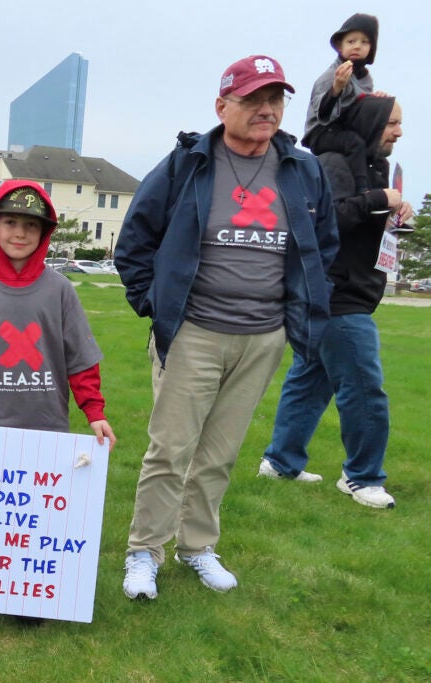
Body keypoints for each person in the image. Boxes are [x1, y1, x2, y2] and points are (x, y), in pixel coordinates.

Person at [114, 55, 339, 600]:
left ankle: (197, 547)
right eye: (253, 99)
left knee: (220, 453)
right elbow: (135, 241)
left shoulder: (303, 169)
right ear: (222, 106)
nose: (267, 110)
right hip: (193, 333)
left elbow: (323, 246)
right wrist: (158, 305)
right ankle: (145, 551)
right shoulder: (187, 162)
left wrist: (295, 314)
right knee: (170, 450)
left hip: (263, 336)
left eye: (276, 100)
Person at [0, 179, 116, 624]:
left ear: (44, 233)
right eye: (10, 222)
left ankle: (30, 596)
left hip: (45, 433)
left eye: (31, 225)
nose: (20, 233)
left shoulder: (61, 291)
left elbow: (81, 363)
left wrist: (95, 413)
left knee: (34, 522)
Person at [260, 96, 411, 509]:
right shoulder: (334, 163)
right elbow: (327, 217)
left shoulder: (373, 164)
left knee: (311, 380)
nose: (399, 131)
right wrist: (381, 200)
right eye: (392, 123)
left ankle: (280, 462)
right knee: (364, 388)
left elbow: (364, 216)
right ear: (370, 123)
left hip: (345, 291)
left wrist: (393, 212)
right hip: (336, 293)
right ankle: (362, 478)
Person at [303, 13, 385, 194]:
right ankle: (362, 190)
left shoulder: (365, 78)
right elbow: (322, 114)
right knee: (354, 143)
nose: (357, 46)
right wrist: (336, 89)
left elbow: (359, 108)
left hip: (343, 128)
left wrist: (374, 101)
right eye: (351, 41)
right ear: (340, 46)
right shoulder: (332, 75)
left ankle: (382, 195)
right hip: (321, 132)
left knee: (375, 151)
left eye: (364, 42)